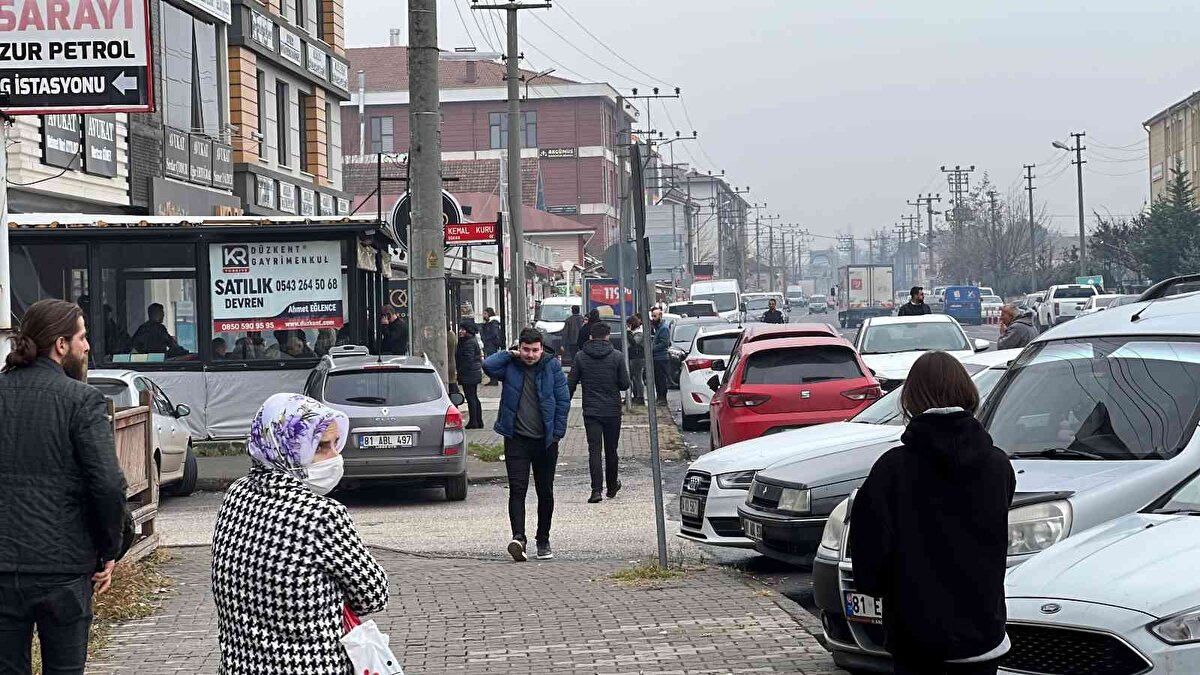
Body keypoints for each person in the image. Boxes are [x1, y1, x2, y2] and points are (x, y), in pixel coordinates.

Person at [849, 351, 1015, 675]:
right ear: (967, 393)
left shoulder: (892, 469)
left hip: (916, 642)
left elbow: (868, 566)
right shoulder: (997, 464)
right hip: (984, 636)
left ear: (911, 399)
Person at [211, 393, 389, 674]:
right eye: (320, 447)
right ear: (286, 448)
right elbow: (374, 594)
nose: (334, 457)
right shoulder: (321, 515)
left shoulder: (237, 495)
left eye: (335, 444)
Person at [0, 299, 129, 675]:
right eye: (82, 337)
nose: (87, 346)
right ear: (61, 345)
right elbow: (107, 485)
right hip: (64, 571)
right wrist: (110, 549)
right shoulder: (82, 401)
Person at [483, 328, 569, 562]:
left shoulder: (552, 367)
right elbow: (488, 366)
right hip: (516, 439)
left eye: (534, 350)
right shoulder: (511, 365)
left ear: (542, 349)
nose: (530, 355)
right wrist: (509, 354)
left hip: (545, 441)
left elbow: (563, 401)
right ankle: (518, 539)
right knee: (517, 490)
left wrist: (557, 433)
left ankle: (543, 539)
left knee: (545, 492)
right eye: (525, 350)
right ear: (519, 348)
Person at [569, 321, 630, 503]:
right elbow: (625, 384)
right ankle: (612, 487)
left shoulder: (580, 357)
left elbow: (570, 384)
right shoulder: (617, 357)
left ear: (590, 337)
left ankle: (596, 491)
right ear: (607, 336)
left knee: (594, 450)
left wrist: (562, 405)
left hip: (591, 411)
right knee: (612, 450)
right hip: (612, 410)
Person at [456, 320, 484, 429]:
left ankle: (474, 421)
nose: (460, 331)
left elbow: (468, 359)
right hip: (472, 373)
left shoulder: (468, 342)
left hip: (469, 374)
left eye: (463, 329)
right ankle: (478, 420)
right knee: (473, 397)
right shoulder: (469, 341)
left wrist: (460, 371)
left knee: (471, 397)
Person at [650, 306, 671, 404]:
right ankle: (659, 397)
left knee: (661, 379)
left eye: (655, 316)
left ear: (660, 316)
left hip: (661, 358)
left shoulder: (663, 328)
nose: (653, 318)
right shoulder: (658, 328)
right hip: (656, 358)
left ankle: (662, 398)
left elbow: (664, 344)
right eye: (652, 316)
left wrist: (651, 349)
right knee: (658, 379)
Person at [626, 315, 646, 405]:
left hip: (637, 357)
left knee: (637, 377)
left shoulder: (639, 333)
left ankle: (640, 397)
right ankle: (634, 396)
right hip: (633, 357)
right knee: (633, 378)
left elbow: (634, 342)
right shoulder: (635, 332)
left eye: (629, 325)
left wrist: (629, 333)